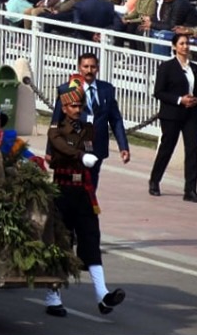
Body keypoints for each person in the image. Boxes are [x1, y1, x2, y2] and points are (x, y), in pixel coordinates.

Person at [42, 85, 127, 318]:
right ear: (65, 108)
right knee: (62, 244)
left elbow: (87, 147)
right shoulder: (55, 131)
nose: (77, 109)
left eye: (79, 105)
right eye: (73, 106)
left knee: (91, 238)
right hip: (63, 192)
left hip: (83, 192)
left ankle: (103, 295)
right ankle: (53, 297)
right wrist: (80, 155)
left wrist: (82, 154)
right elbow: (63, 149)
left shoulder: (88, 129)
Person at [50, 53, 130, 189]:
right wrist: (49, 151)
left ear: (97, 68)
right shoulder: (67, 89)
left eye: (92, 67)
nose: (89, 70)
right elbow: (55, 121)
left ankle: (89, 207)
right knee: (74, 181)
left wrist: (123, 146)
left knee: (91, 182)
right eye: (85, 66)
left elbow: (116, 120)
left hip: (97, 145)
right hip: (74, 145)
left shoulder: (107, 89)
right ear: (79, 68)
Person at [148, 33, 197, 202]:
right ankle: (155, 181)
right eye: (181, 43)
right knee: (167, 148)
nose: (185, 47)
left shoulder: (195, 68)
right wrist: (180, 100)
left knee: (192, 151)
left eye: (187, 43)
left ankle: (190, 190)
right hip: (172, 114)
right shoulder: (166, 67)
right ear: (174, 46)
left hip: (191, 114)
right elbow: (159, 92)